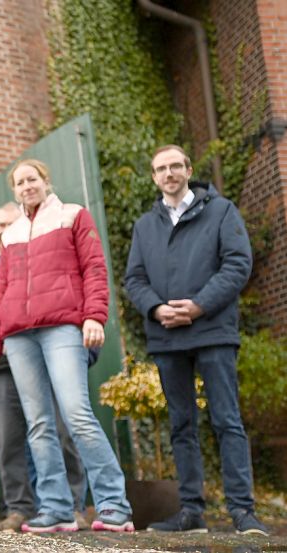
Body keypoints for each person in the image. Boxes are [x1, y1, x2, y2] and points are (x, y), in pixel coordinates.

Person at [0, 159, 133, 533]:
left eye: (32, 179)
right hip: (18, 336)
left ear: (46, 182)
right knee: (38, 425)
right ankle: (56, 508)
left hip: (63, 326)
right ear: (14, 191)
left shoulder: (73, 215)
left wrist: (94, 316)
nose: (26, 186)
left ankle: (114, 505)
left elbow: (94, 268)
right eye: (19, 183)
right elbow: (2, 289)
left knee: (77, 414)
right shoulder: (11, 232)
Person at [124, 145, 267, 535]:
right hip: (167, 335)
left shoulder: (221, 211)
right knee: (181, 424)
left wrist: (199, 306)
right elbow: (133, 279)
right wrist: (156, 309)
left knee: (227, 420)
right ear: (154, 178)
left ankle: (242, 512)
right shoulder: (144, 226)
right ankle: (191, 512)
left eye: (175, 166)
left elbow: (238, 263)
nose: (169, 173)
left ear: (188, 170)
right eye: (161, 168)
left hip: (212, 330)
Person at [0, 203, 89, 532]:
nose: (2, 230)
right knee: (8, 439)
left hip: (44, 361)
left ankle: (73, 505)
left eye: (9, 223)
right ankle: (19, 508)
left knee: (60, 431)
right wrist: (3, 329)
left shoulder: (38, 257)